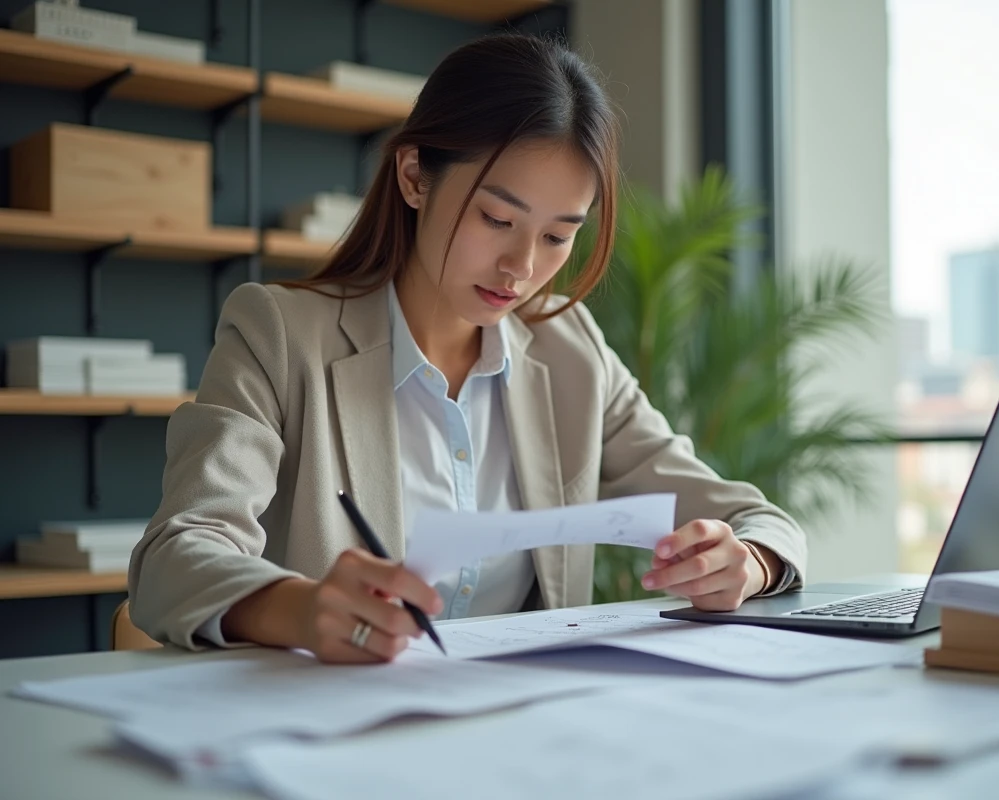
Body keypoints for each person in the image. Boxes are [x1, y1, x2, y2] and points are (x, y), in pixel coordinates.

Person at [128, 32, 806, 664]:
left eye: (557, 235)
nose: (521, 267)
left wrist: (747, 561)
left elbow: (756, 519)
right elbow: (174, 558)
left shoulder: (569, 354)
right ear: (415, 176)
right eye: (497, 219)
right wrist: (301, 609)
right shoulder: (278, 336)